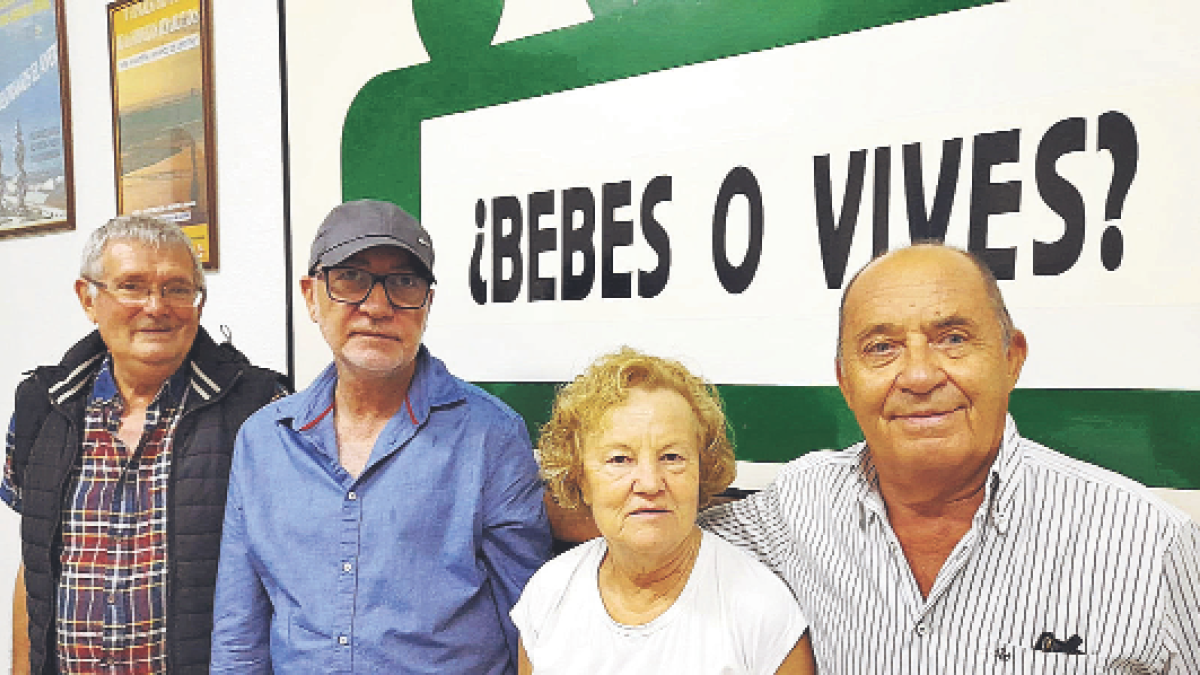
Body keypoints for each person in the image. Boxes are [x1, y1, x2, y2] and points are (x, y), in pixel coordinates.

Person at [698, 242, 1200, 672]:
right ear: (845, 381)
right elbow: (657, 531)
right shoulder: (798, 506)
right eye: (881, 348)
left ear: (1012, 358)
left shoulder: (1152, 546)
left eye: (953, 339)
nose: (919, 375)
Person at [210, 199, 552, 674]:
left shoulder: (491, 437)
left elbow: (535, 625)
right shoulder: (263, 442)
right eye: (350, 279)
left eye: (404, 283)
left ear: (427, 304)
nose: (377, 306)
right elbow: (239, 632)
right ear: (311, 296)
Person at [3, 216, 287, 675]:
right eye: (131, 286)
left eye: (177, 289)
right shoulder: (42, 405)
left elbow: (290, 573)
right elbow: (33, 566)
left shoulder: (259, 408)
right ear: (88, 299)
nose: (156, 306)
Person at [514, 348, 816, 674]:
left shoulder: (762, 611)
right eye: (619, 459)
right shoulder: (547, 594)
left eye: (671, 457)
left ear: (702, 471)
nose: (649, 483)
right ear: (581, 479)